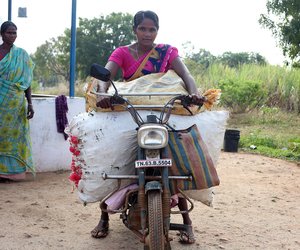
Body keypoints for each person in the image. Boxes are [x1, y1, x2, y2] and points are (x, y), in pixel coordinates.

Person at [92, 10, 201, 244]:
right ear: (135, 29)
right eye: (143, 28)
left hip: (162, 110)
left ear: (157, 31)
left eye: (152, 29)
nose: (147, 33)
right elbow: (104, 77)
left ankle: (187, 222)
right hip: (130, 110)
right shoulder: (122, 52)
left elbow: (186, 75)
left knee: (174, 160)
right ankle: (103, 216)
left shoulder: (167, 52)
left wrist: (194, 93)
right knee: (113, 158)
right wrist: (102, 94)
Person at [0, 21, 35, 181]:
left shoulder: (22, 55)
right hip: (1, 103)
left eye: (14, 33)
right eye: (9, 32)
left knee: (14, 138)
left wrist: (30, 103)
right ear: (2, 34)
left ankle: (13, 174)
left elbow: (27, 83)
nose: (12, 36)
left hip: (16, 105)